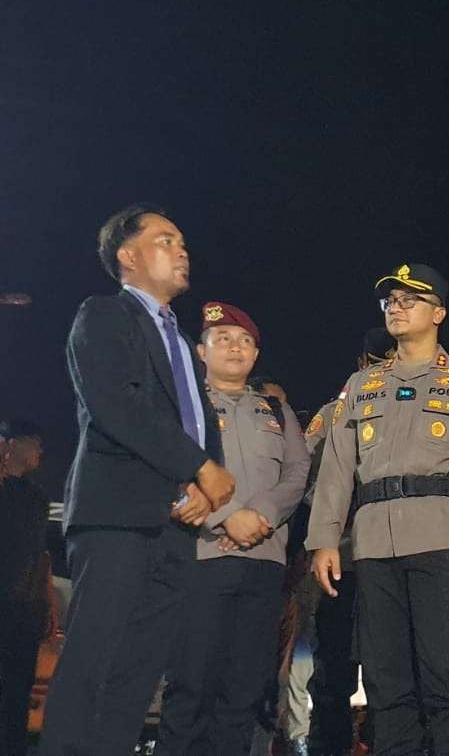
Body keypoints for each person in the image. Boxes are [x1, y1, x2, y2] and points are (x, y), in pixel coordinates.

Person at [40, 204, 235, 756]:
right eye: (165, 240)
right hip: (116, 518)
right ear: (128, 256)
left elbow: (199, 421)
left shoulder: (183, 343)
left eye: (182, 241)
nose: (181, 249)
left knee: (137, 674)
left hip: (174, 526)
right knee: (92, 663)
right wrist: (199, 468)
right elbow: (118, 405)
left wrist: (201, 484)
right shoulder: (104, 315)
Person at [308, 264, 449, 756]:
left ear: (439, 312)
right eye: (390, 300)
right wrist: (325, 539)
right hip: (373, 545)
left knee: (443, 670)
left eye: (409, 299)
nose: (396, 306)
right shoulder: (360, 385)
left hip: (441, 542)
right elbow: (335, 469)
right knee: (384, 675)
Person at [156, 302, 308, 754]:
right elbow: (168, 472)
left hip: (262, 565)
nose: (234, 347)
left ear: (256, 354)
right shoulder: (180, 409)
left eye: (244, 341)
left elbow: (298, 474)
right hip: (201, 560)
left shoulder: (278, 412)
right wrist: (230, 517)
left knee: (242, 692)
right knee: (190, 687)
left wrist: (258, 516)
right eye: (222, 338)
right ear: (201, 352)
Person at [289, 326, 395, 756]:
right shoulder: (334, 412)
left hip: (393, 559)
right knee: (333, 672)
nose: (382, 369)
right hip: (342, 561)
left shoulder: (419, 402)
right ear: (360, 365)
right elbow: (303, 475)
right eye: (375, 362)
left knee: (392, 673)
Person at [0, 418, 49, 756]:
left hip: (24, 609)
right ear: (12, 444)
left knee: (18, 690)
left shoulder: (36, 497)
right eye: (35, 442)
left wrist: (48, 601)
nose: (41, 452)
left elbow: (41, 551)